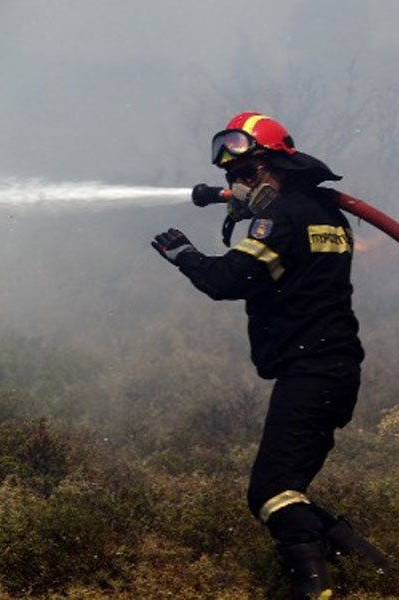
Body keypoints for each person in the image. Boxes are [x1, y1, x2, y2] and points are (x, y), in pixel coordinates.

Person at [150, 112, 393, 599]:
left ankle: (311, 587)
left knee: (270, 491)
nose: (238, 186)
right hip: (333, 369)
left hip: (312, 371)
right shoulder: (324, 213)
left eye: (247, 174)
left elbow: (229, 281)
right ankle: (380, 573)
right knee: (288, 487)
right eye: (231, 179)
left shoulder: (280, 218)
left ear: (276, 166)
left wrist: (184, 255)